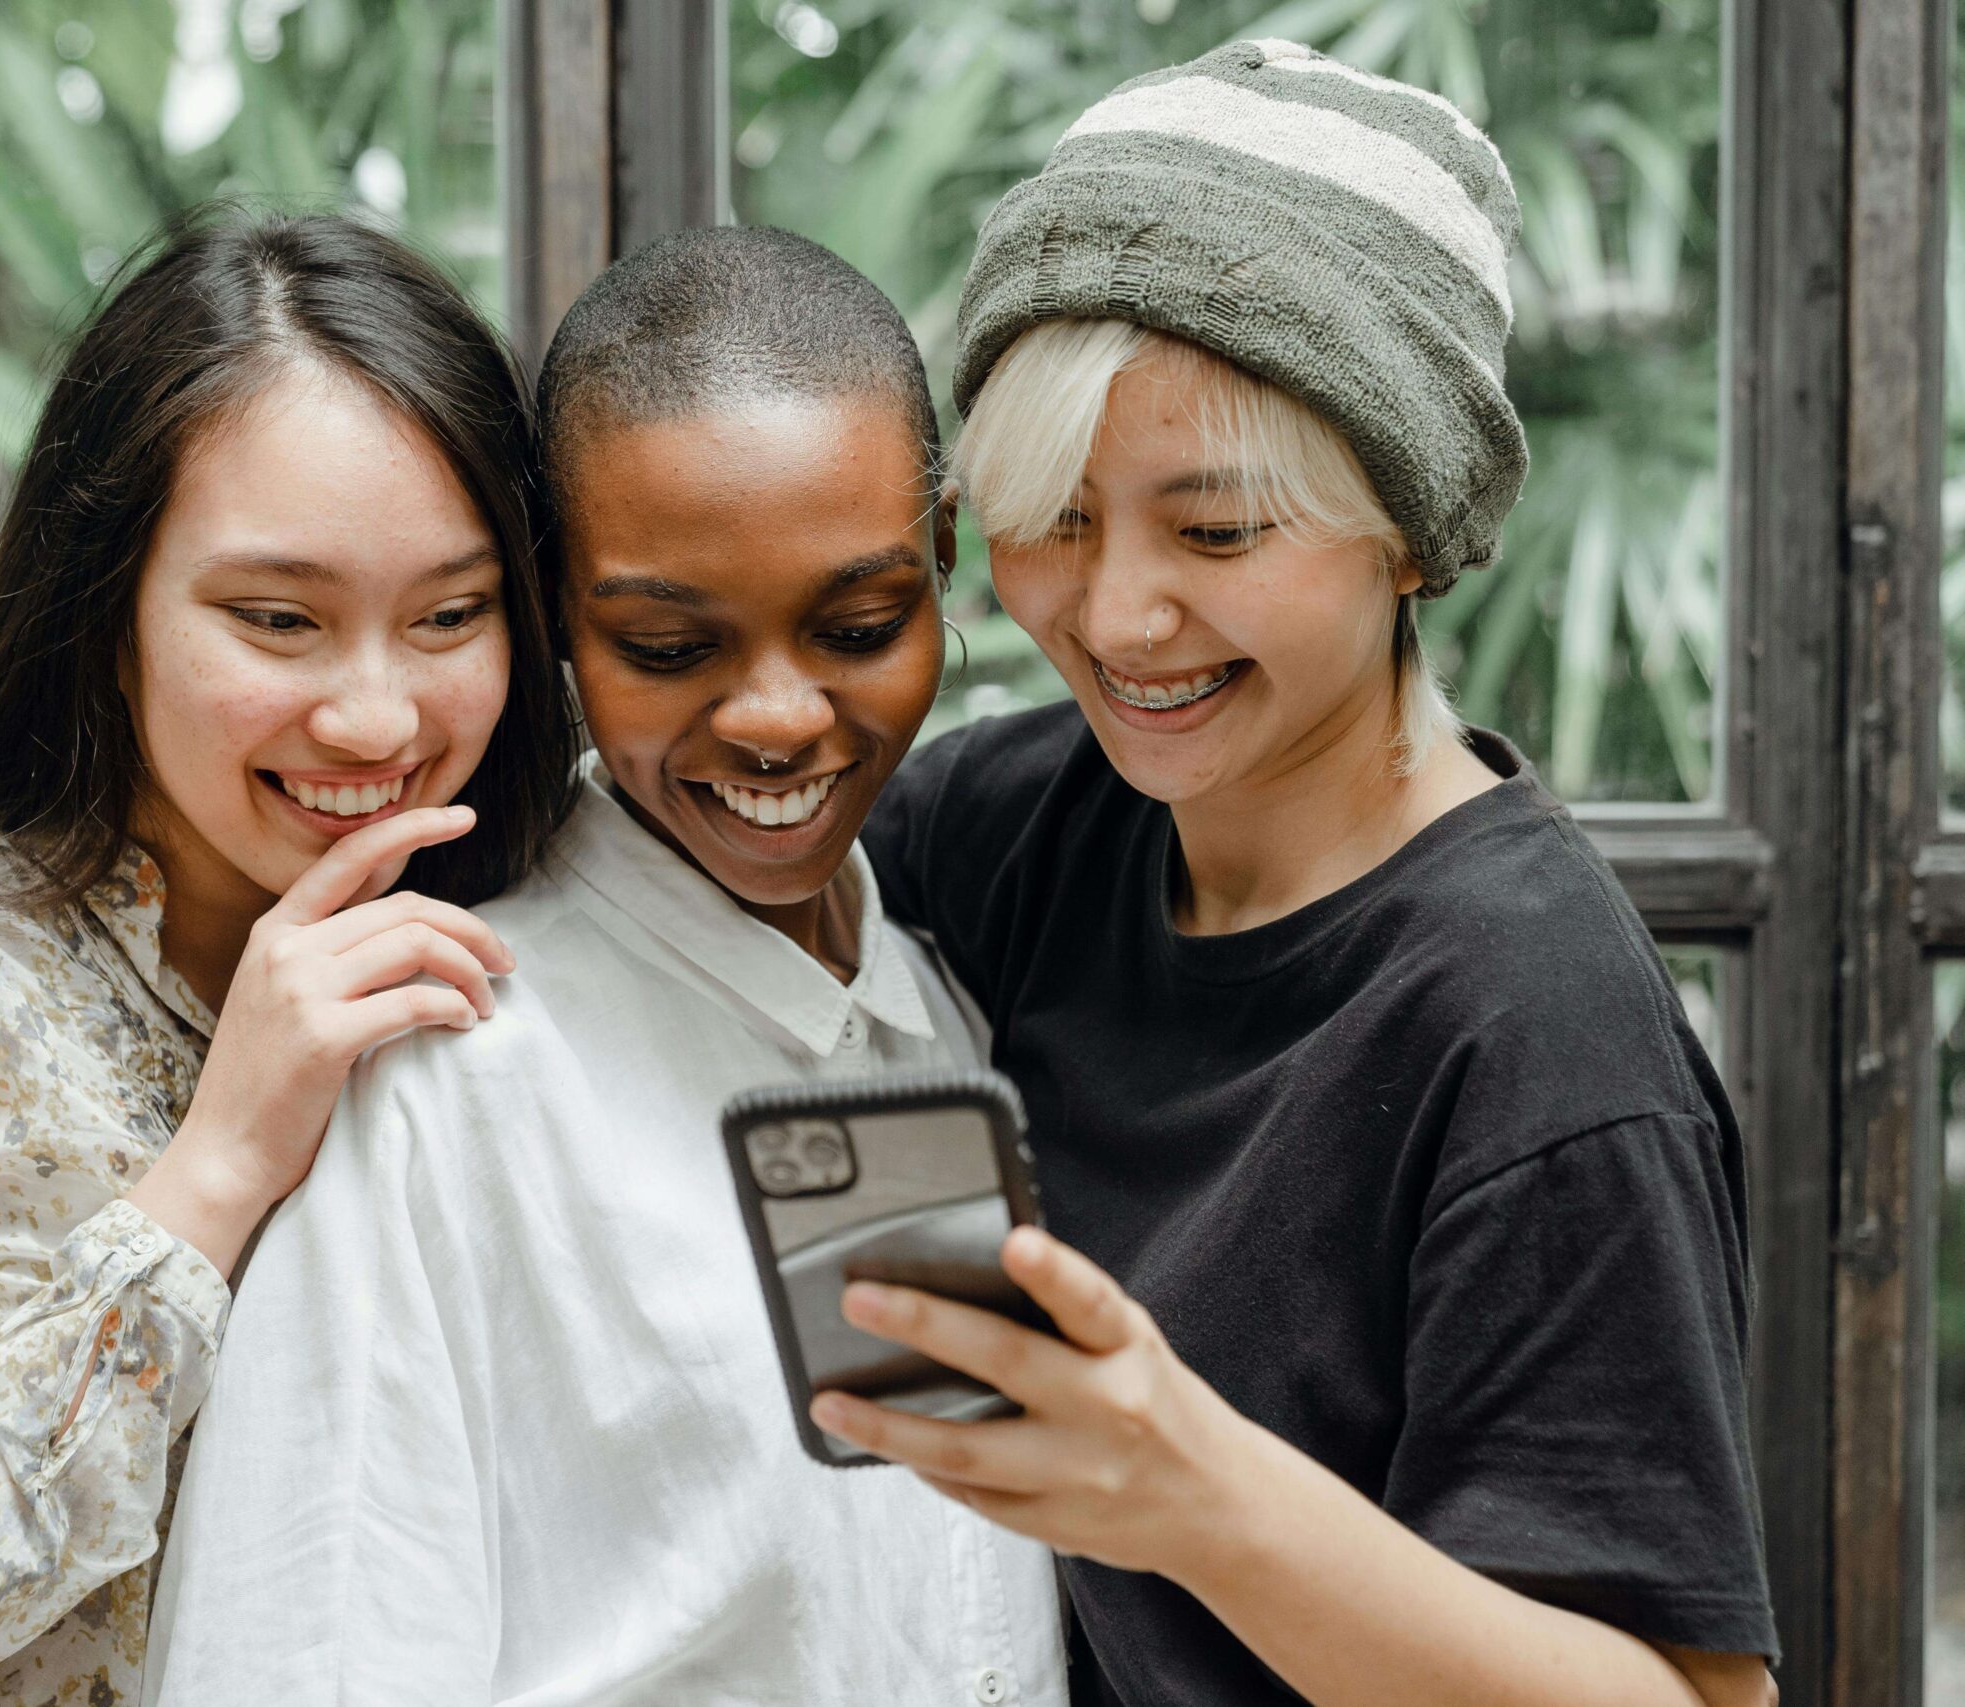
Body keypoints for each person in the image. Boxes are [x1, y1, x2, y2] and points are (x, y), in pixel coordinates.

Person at [829, 40, 1777, 1707]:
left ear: (1410, 530)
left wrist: (1195, 1497)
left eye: (1216, 533)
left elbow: (1695, 1697)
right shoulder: (1024, 823)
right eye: (1057, 517)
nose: (1117, 618)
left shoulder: (1540, 1035)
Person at [0, 206, 577, 1707]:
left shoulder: (513, 964)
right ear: (106, 606)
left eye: (452, 615)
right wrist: (216, 1173)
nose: (378, 718)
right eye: (280, 620)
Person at [144, 226, 1065, 1706]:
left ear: (945, 556)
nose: (778, 717)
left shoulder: (928, 1015)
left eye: (858, 626)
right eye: (667, 647)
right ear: (554, 609)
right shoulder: (447, 1074)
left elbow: (929, 1608)